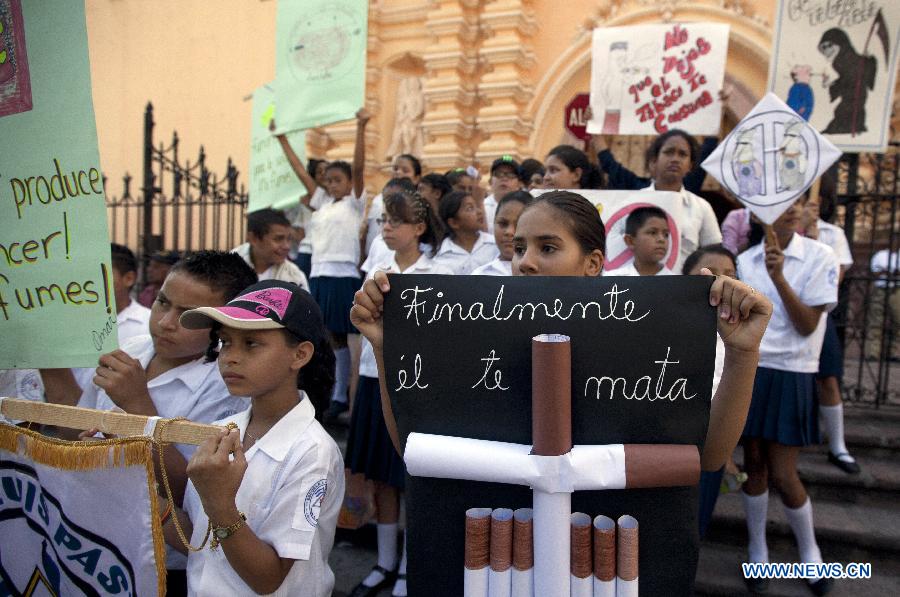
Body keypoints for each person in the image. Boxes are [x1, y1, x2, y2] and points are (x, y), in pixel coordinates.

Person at [350, 190, 772, 589]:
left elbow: (711, 455)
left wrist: (742, 352)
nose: (525, 263)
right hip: (493, 561)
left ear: (592, 264)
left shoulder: (646, 339)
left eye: (547, 248)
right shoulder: (470, 334)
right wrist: (388, 348)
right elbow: (414, 446)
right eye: (518, 248)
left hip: (607, 559)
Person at [40, 250, 257, 594]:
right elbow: (73, 430)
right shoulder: (134, 348)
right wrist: (49, 364)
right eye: (162, 303)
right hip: (90, 534)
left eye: (187, 315)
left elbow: (194, 491)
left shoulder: (227, 385)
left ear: (223, 324)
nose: (166, 322)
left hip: (162, 559)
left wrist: (138, 407)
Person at [161, 280, 342, 596]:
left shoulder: (312, 453)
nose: (230, 357)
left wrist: (219, 501)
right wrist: (142, 492)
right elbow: (202, 540)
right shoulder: (224, 429)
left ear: (299, 355)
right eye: (225, 342)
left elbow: (268, 578)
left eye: (251, 344)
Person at [346, 192, 449, 597]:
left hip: (412, 382)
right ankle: (384, 561)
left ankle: (408, 566)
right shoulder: (376, 267)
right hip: (374, 380)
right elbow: (360, 327)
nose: (386, 227)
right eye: (383, 220)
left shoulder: (437, 272)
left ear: (419, 228)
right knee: (380, 479)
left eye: (395, 221)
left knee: (408, 477)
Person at [737, 196, 839, 595]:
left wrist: (778, 277)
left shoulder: (820, 255)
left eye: (798, 201)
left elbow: (805, 326)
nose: (794, 208)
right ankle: (757, 550)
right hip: (753, 369)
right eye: (783, 203)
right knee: (755, 466)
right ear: (762, 214)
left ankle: (810, 554)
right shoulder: (745, 260)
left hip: (793, 371)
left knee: (783, 472)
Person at [308, 109, 369, 423]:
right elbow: (301, 177)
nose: (332, 185)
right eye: (328, 180)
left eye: (337, 180)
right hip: (319, 274)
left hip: (342, 275)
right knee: (329, 337)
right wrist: (280, 140)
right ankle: (333, 393)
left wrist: (360, 127)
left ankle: (345, 394)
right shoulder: (321, 204)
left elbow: (359, 167)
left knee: (348, 337)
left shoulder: (354, 201)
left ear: (349, 183)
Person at [681, 245, 746, 537]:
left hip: (709, 447)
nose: (722, 283)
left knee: (696, 524)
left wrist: (726, 450)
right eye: (711, 275)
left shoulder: (741, 338)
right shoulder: (667, 326)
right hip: (671, 446)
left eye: (730, 275)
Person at [801, 185, 860, 474]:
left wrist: (813, 241)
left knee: (828, 380)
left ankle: (838, 445)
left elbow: (834, 279)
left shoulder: (831, 234)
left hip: (816, 319)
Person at [72, 243, 153, 389]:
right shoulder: (71, 322)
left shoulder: (150, 325)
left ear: (128, 278)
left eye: (99, 273)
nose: (89, 283)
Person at [643, 129, 722, 270]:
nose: (675, 159)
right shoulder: (634, 202)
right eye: (669, 152)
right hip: (640, 287)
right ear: (654, 161)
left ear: (690, 166)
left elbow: (714, 254)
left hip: (687, 288)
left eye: (683, 154)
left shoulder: (702, 207)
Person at [233, 208, 309, 290]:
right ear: (253, 238)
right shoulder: (229, 266)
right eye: (278, 239)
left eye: (289, 239)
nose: (287, 246)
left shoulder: (294, 277)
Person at [362, 154, 423, 255]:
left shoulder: (417, 203)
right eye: (395, 169)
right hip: (375, 255)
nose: (398, 172)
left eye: (405, 170)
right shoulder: (378, 199)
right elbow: (368, 229)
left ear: (416, 178)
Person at [433, 191, 498, 274]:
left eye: (477, 206)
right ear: (453, 223)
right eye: (470, 208)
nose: (479, 212)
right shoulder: (441, 257)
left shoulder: (494, 244)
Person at [472, 190, 534, 276]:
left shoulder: (548, 273)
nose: (509, 232)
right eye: (503, 224)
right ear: (494, 223)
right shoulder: (480, 275)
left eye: (518, 225)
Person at [605, 206, 674, 276]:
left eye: (666, 235)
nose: (661, 239)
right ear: (630, 241)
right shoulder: (611, 279)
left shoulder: (679, 284)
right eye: (653, 233)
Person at [482, 156, 523, 233]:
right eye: (498, 174)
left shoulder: (527, 208)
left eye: (510, 175)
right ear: (490, 181)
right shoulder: (482, 208)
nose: (504, 178)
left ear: (519, 183)